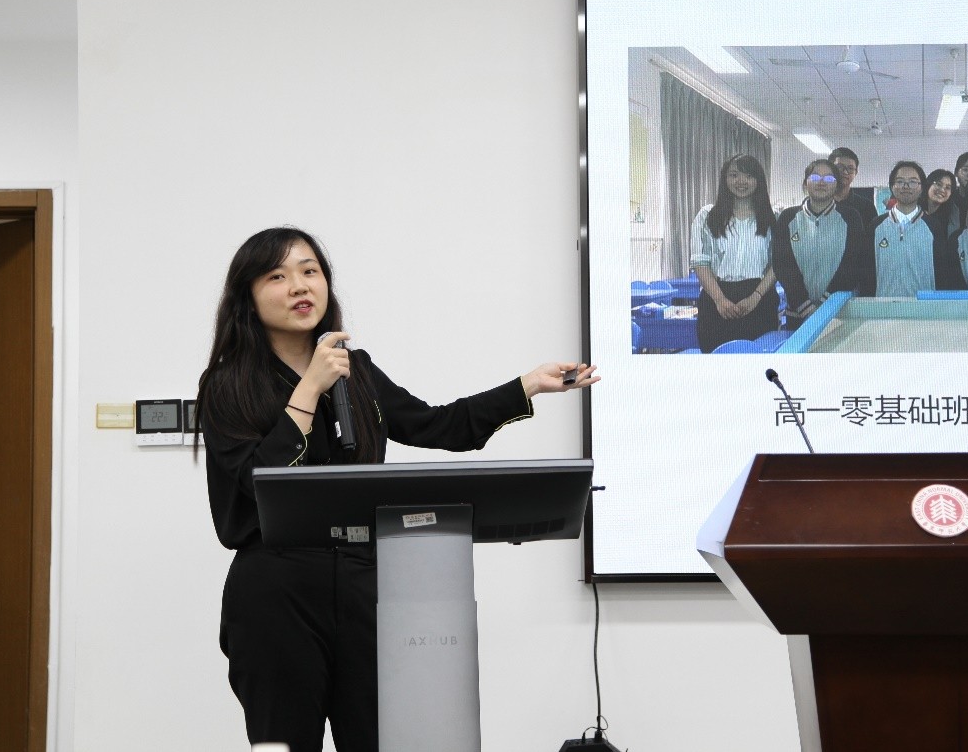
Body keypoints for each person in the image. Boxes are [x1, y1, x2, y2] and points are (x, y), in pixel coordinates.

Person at [195, 227, 598, 751]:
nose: (299, 286)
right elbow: (256, 480)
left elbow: (440, 426)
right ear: (247, 296)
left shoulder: (357, 372)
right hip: (276, 592)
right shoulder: (227, 384)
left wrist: (526, 386)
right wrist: (310, 387)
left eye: (310, 271)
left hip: (368, 586)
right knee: (284, 742)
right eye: (278, 276)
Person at [690, 153, 779, 352]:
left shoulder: (773, 217)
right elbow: (700, 262)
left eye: (749, 176)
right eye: (734, 175)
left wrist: (756, 296)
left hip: (760, 299)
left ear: (758, 180)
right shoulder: (707, 216)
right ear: (725, 179)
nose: (741, 181)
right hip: (716, 300)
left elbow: (777, 263)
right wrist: (720, 300)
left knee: (758, 363)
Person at [773, 159, 866, 327]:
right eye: (815, 177)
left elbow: (852, 264)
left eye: (829, 178)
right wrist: (805, 306)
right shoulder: (788, 218)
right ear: (805, 182)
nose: (821, 182)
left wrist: (826, 305)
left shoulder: (851, 218)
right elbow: (783, 265)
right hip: (798, 313)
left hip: (839, 312)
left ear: (836, 185)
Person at [871, 161, 947, 297]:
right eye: (900, 181)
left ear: (922, 188)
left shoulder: (933, 226)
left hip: (923, 306)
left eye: (913, 182)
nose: (906, 186)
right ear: (892, 186)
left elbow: (942, 273)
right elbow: (867, 271)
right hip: (883, 306)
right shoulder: (876, 226)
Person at [827, 146, 879, 234]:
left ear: (856, 172)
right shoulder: (818, 203)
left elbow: (873, 239)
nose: (845, 172)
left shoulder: (867, 207)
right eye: (839, 167)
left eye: (850, 168)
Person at [921, 168, 964, 238]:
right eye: (938, 184)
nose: (942, 190)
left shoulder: (953, 213)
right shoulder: (915, 207)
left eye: (948, 187)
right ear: (929, 184)